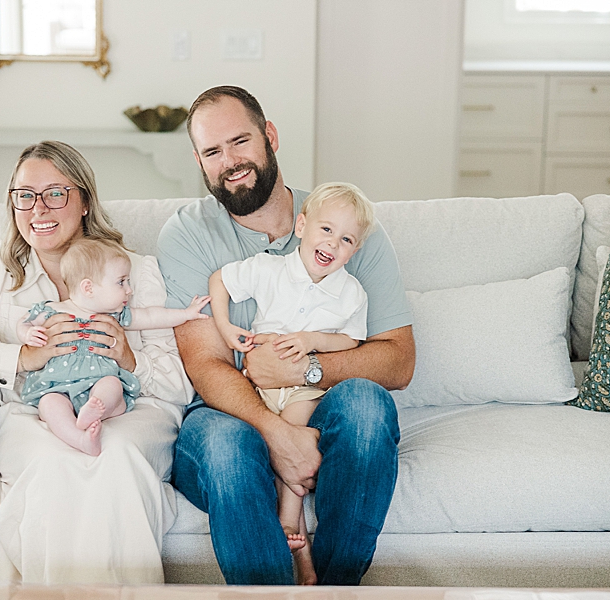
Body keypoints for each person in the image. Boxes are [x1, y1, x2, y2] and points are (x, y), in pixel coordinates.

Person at [156, 86, 416, 585]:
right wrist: (278, 435)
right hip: (226, 414)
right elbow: (207, 364)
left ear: (270, 136)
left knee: (366, 406)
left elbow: (398, 361)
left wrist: (307, 368)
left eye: (240, 141)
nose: (230, 161)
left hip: (316, 399)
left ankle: (336, 592)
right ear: (199, 161)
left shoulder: (345, 227)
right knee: (227, 446)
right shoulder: (187, 234)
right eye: (213, 152)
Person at [0, 141, 194, 599]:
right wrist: (19, 359)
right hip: (37, 412)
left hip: (129, 408)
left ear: (84, 200)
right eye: (24, 195)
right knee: (50, 463)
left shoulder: (135, 271)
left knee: (114, 458)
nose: (37, 208)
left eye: (55, 194)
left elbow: (178, 385)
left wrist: (127, 357)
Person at [207, 181, 375, 581]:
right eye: (326, 230)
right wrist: (226, 327)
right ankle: (302, 558)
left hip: (305, 388)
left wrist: (313, 340)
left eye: (347, 239)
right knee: (261, 444)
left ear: (354, 250)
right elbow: (220, 281)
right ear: (301, 226)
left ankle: (288, 523)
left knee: (294, 433)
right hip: (259, 386)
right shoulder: (269, 269)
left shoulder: (351, 293)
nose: (333, 244)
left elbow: (352, 339)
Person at [16, 237, 210, 456]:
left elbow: (151, 316)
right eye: (122, 282)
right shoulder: (53, 311)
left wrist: (186, 314)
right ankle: (79, 437)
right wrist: (28, 333)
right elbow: (24, 321)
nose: (129, 290)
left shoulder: (115, 316)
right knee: (49, 404)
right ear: (88, 287)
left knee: (112, 384)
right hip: (57, 386)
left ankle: (96, 408)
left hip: (98, 381)